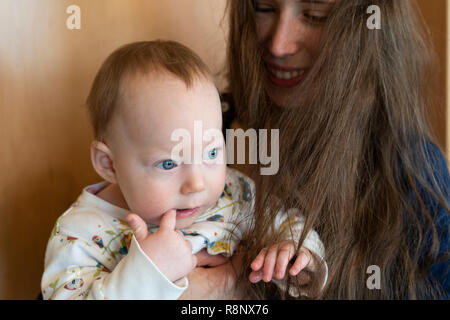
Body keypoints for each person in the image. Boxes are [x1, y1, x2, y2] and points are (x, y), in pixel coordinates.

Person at [181, 0, 449, 299]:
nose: (279, 45)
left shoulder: (411, 169)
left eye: (313, 15)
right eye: (264, 8)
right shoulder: (200, 129)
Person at [40, 40, 327, 300]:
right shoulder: (80, 235)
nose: (197, 184)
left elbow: (289, 224)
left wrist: (298, 257)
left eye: (212, 153)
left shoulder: (232, 191)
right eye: (169, 163)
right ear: (109, 164)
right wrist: (149, 272)